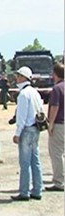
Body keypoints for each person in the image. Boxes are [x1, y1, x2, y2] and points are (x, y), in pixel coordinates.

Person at [10, 66, 44, 201]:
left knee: (25, 163)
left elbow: (21, 117)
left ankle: (24, 192)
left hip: (27, 129)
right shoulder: (35, 92)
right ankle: (37, 189)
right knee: (35, 160)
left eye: (18, 76)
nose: (17, 78)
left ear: (23, 77)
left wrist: (17, 134)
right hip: (36, 128)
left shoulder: (23, 94)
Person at [45, 63, 64, 192]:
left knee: (56, 153)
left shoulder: (57, 89)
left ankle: (59, 181)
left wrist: (50, 124)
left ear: (55, 74)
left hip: (59, 123)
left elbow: (55, 107)